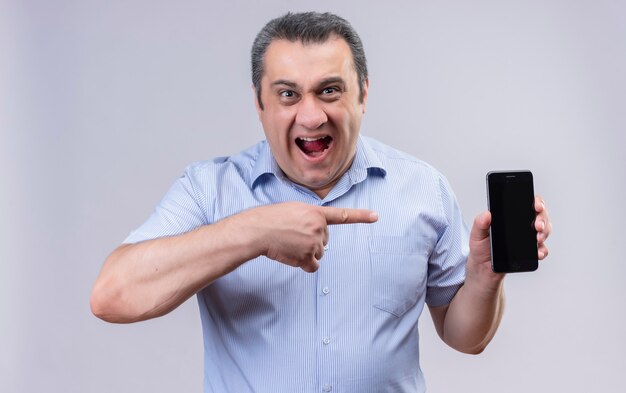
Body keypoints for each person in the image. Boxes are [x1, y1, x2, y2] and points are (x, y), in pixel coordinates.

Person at [91, 11, 551, 393]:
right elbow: (113, 296)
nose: (311, 116)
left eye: (330, 90)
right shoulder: (208, 189)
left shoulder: (422, 189)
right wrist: (255, 232)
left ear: (364, 93)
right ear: (259, 103)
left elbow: (465, 338)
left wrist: (485, 277)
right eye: (288, 94)